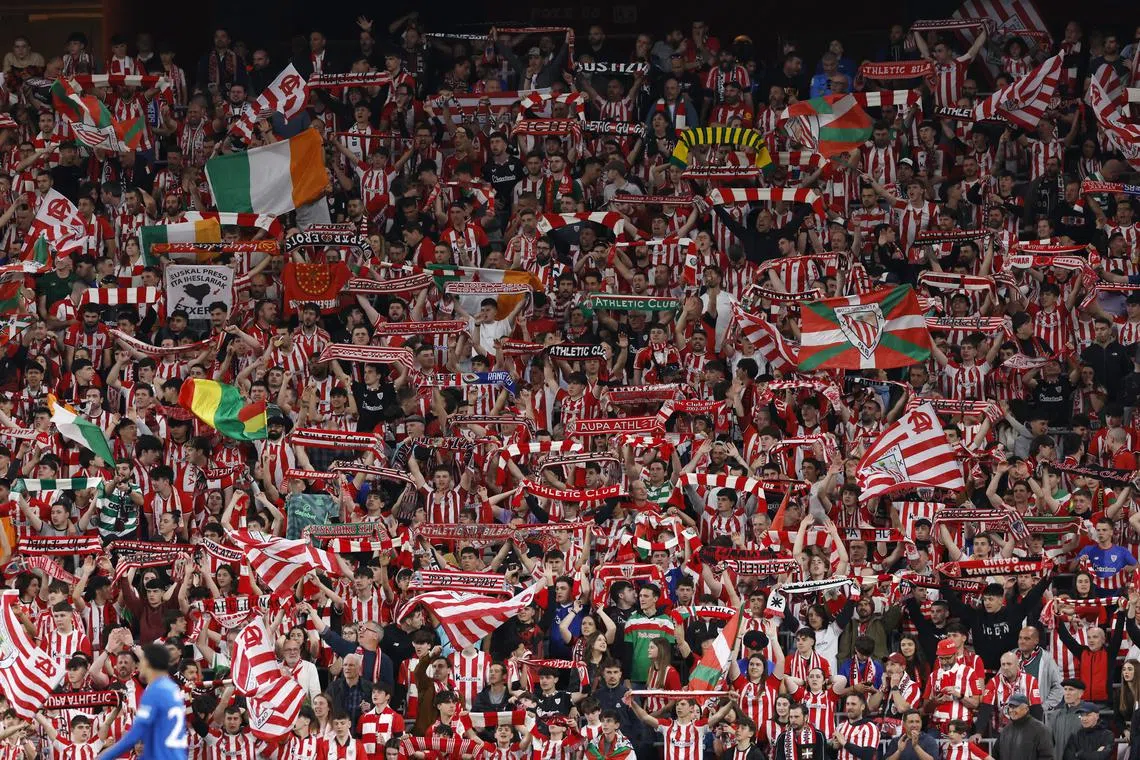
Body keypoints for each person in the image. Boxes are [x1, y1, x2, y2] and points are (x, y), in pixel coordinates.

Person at [96, 643, 187, 760]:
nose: (139, 666)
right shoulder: (169, 688)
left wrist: (104, 757)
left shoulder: (156, 692)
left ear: (149, 664)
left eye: (142, 662)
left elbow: (135, 734)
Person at [996, 694, 1054, 760]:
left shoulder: (1040, 730)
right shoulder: (1005, 731)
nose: (1012, 710)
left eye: (1015, 707)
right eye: (1010, 707)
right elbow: (996, 755)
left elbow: (1047, 757)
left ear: (1026, 709)